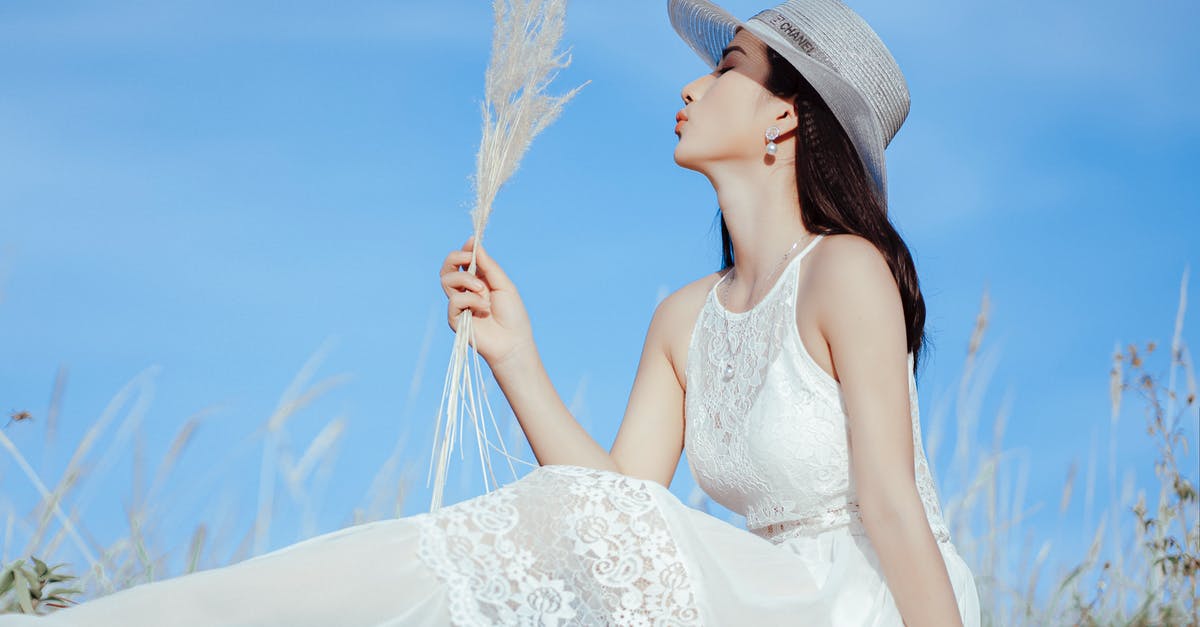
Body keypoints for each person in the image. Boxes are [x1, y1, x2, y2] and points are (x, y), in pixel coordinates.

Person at [0, 0, 981, 625]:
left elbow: (891, 506)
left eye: (728, 63)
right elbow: (617, 503)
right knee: (554, 528)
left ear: (784, 117)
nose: (693, 83)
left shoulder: (847, 271)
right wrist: (516, 356)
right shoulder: (686, 317)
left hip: (863, 600)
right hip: (748, 598)